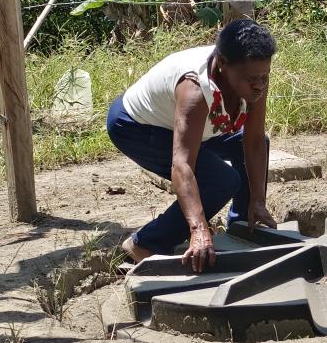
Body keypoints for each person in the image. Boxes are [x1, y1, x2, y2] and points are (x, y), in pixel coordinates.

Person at [106, 18, 278, 273]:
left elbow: (252, 141)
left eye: (264, 76)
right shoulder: (195, 89)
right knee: (221, 181)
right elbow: (183, 164)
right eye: (252, 79)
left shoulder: (252, 77)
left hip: (194, 125)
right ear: (222, 64)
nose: (259, 85)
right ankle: (144, 244)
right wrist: (199, 229)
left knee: (249, 143)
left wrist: (258, 200)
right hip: (138, 126)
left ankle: (242, 228)